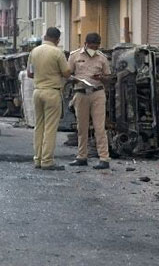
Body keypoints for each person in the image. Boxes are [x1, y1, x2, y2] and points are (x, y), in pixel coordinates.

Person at [27, 27, 71, 170]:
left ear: (45, 36)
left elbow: (29, 73)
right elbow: (66, 73)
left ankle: (37, 158)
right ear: (57, 39)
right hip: (52, 92)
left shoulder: (34, 51)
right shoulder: (57, 52)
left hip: (37, 91)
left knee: (38, 126)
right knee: (50, 128)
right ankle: (47, 160)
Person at [68, 33, 113, 170]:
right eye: (91, 46)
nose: (93, 49)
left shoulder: (102, 58)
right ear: (85, 43)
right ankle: (82, 157)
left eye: (96, 46)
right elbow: (68, 74)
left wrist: (101, 78)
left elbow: (109, 77)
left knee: (100, 127)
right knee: (82, 127)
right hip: (81, 93)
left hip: (97, 93)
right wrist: (74, 79)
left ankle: (104, 158)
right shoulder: (74, 56)